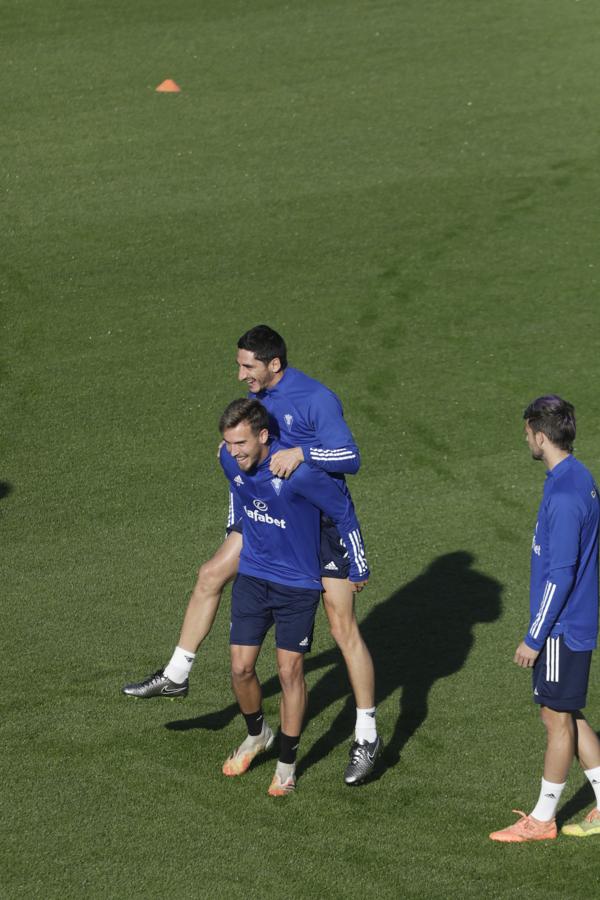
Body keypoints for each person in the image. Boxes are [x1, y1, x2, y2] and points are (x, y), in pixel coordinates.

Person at [122, 325, 380, 784]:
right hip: (270, 513)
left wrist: (302, 452)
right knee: (210, 574)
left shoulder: (315, 398)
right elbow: (241, 472)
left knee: (342, 627)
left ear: (273, 364)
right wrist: (235, 505)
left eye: (248, 366)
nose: (241, 375)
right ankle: (177, 673)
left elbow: (351, 457)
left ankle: (366, 734)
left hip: (318, 521)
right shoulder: (257, 400)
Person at [217, 398, 370, 795]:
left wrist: (358, 565)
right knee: (241, 668)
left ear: (264, 436)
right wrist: (232, 530)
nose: (234, 452)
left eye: (241, 443)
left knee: (289, 672)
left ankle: (287, 763)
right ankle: (258, 735)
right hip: (253, 576)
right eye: (229, 443)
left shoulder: (297, 474)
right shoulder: (229, 460)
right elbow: (237, 491)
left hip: (298, 585)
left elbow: (342, 511)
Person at [490, 395, 600, 842]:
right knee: (567, 712)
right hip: (573, 622)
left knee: (555, 719)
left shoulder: (567, 494)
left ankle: (542, 819)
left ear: (540, 436)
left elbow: (562, 574)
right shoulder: (575, 476)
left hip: (560, 628)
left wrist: (535, 637)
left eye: (527, 434)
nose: (526, 441)